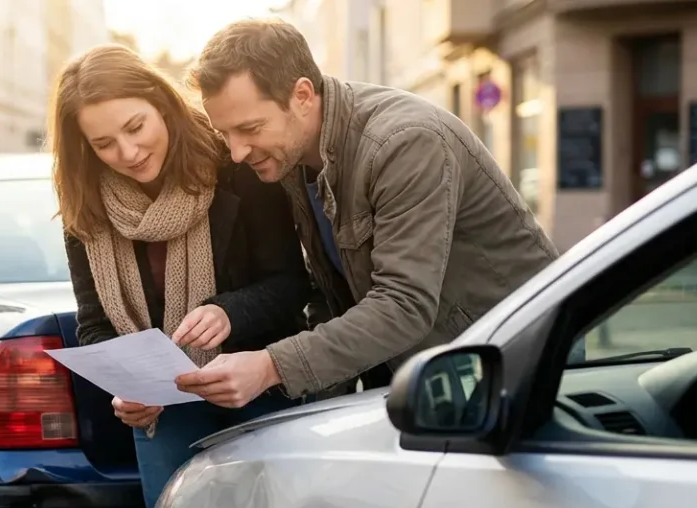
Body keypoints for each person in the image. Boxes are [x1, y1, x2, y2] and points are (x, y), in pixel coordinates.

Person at [173, 18, 560, 408]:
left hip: (516, 367)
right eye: (225, 134)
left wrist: (271, 366)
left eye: (250, 128)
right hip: (435, 377)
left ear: (303, 95)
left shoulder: (405, 142)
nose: (238, 152)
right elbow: (339, 291)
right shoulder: (292, 159)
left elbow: (403, 304)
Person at [50, 44, 312, 508]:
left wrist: (229, 312)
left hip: (258, 396)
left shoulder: (235, 167)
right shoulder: (86, 207)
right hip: (164, 416)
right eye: (103, 144)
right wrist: (126, 389)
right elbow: (94, 324)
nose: (127, 153)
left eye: (135, 127)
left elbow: (291, 285)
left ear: (161, 103)